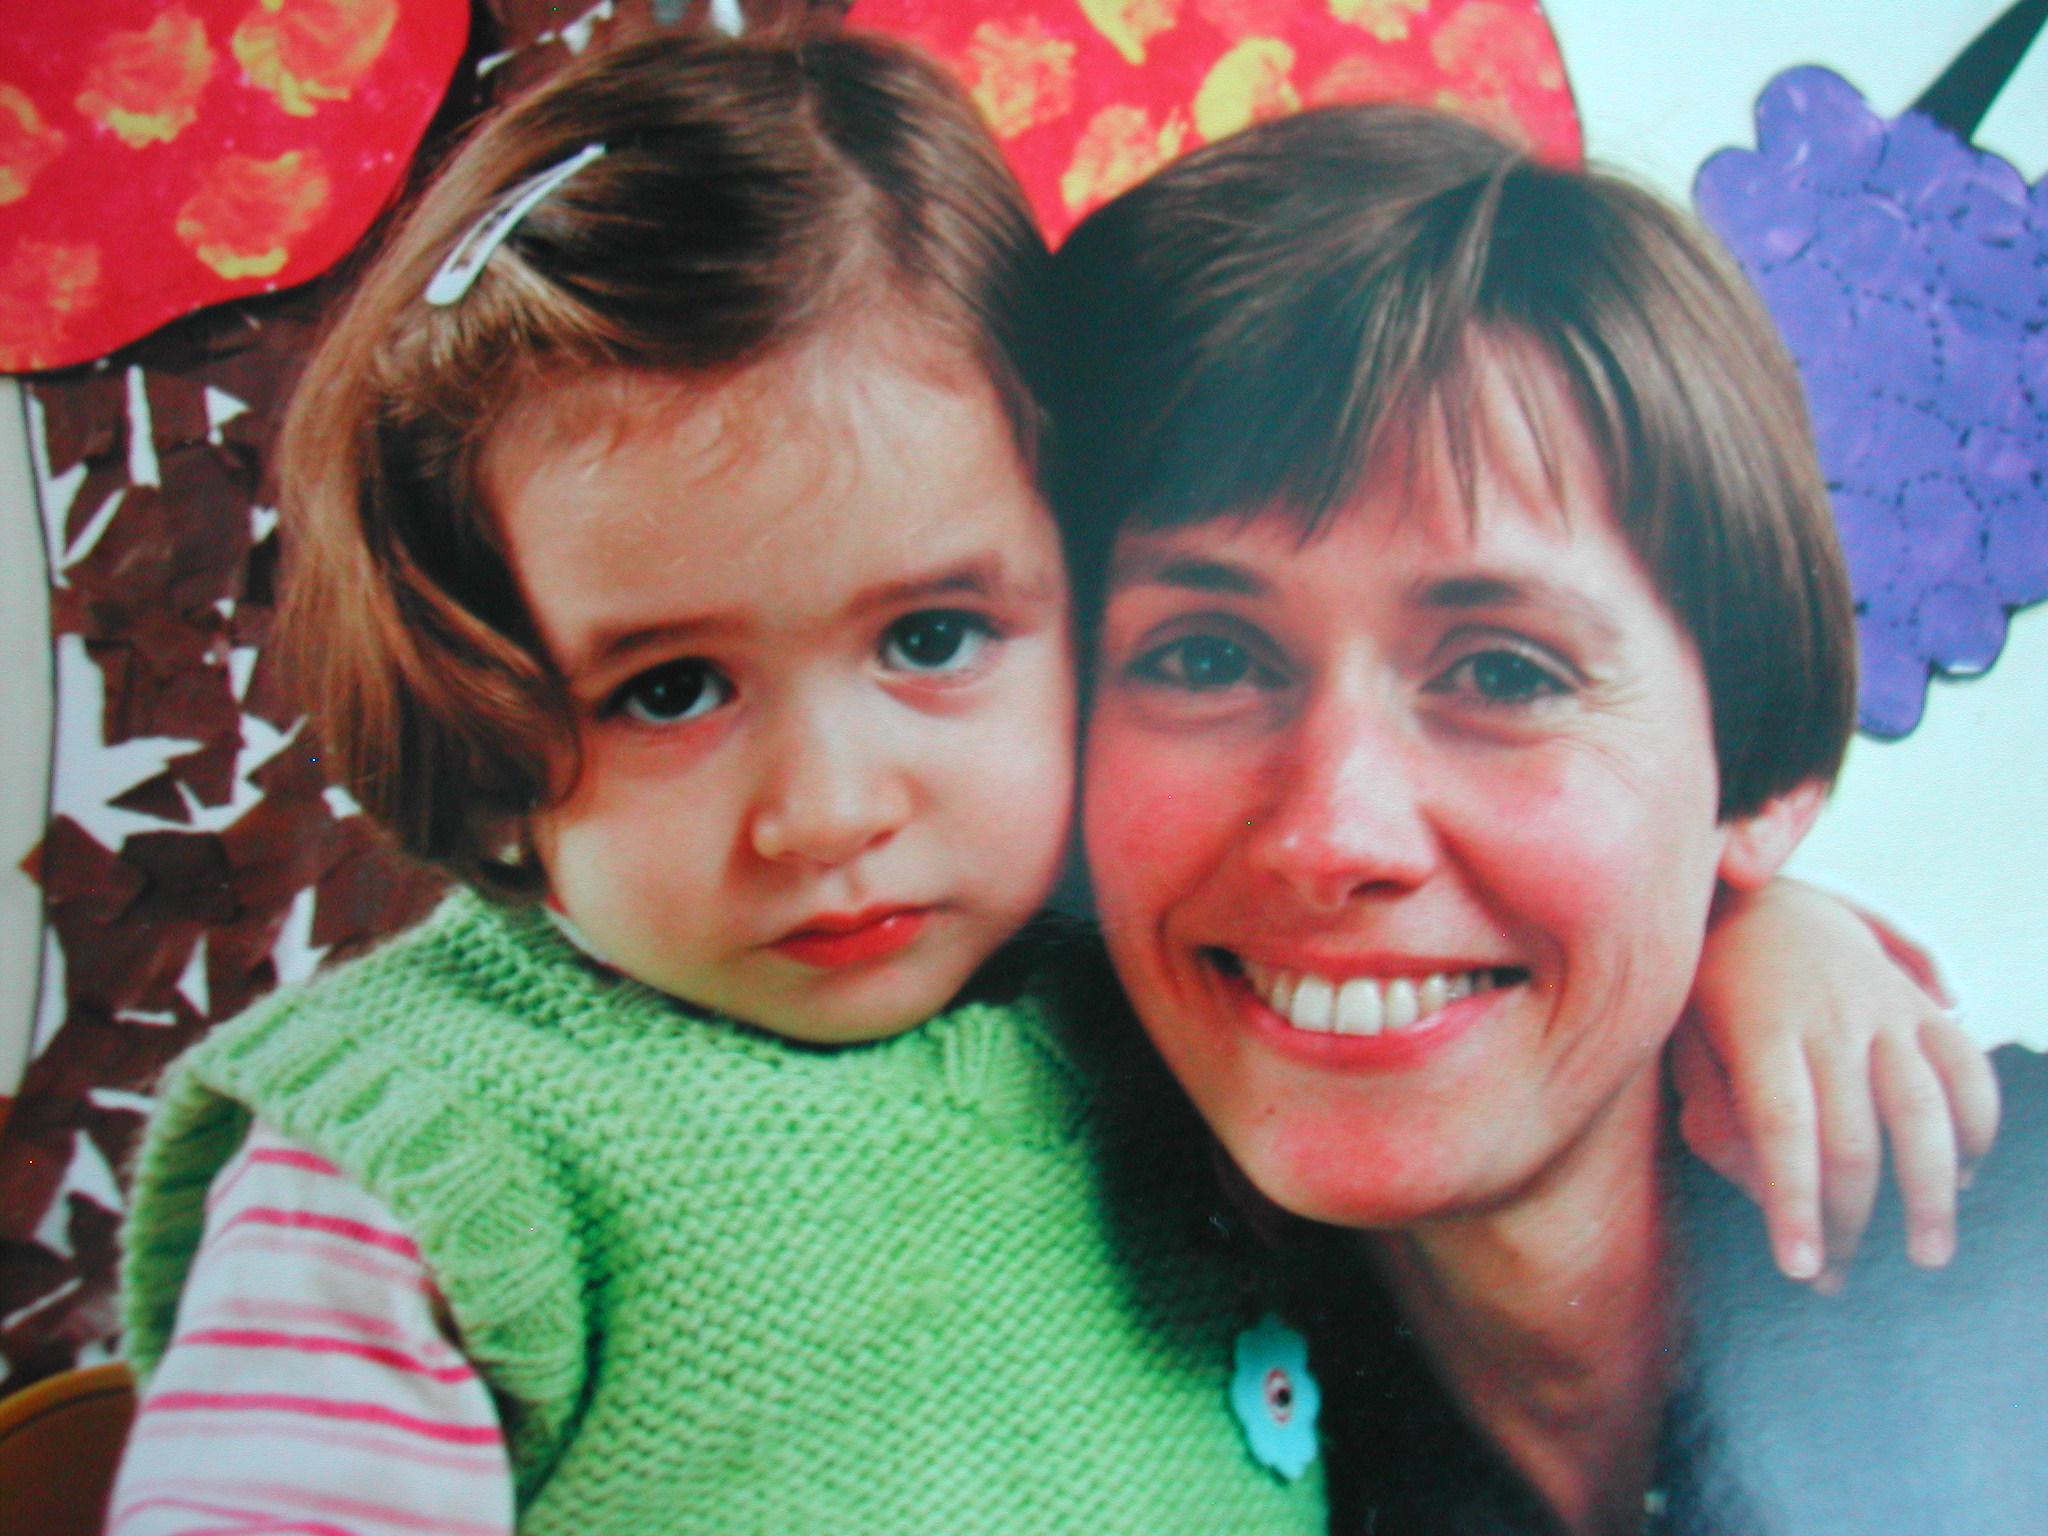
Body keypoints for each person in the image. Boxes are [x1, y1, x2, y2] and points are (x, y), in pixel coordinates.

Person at [110, 32, 1991, 1536]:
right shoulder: (438, 1162)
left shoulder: (1119, 1019)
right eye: (669, 688)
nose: (831, 811)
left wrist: (1751, 932)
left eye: (931, 638)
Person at [1054, 102, 2039, 1535]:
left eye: (1505, 672)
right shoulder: (1109, 1360)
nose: (1333, 834)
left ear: (1762, 777)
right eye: (1206, 657)